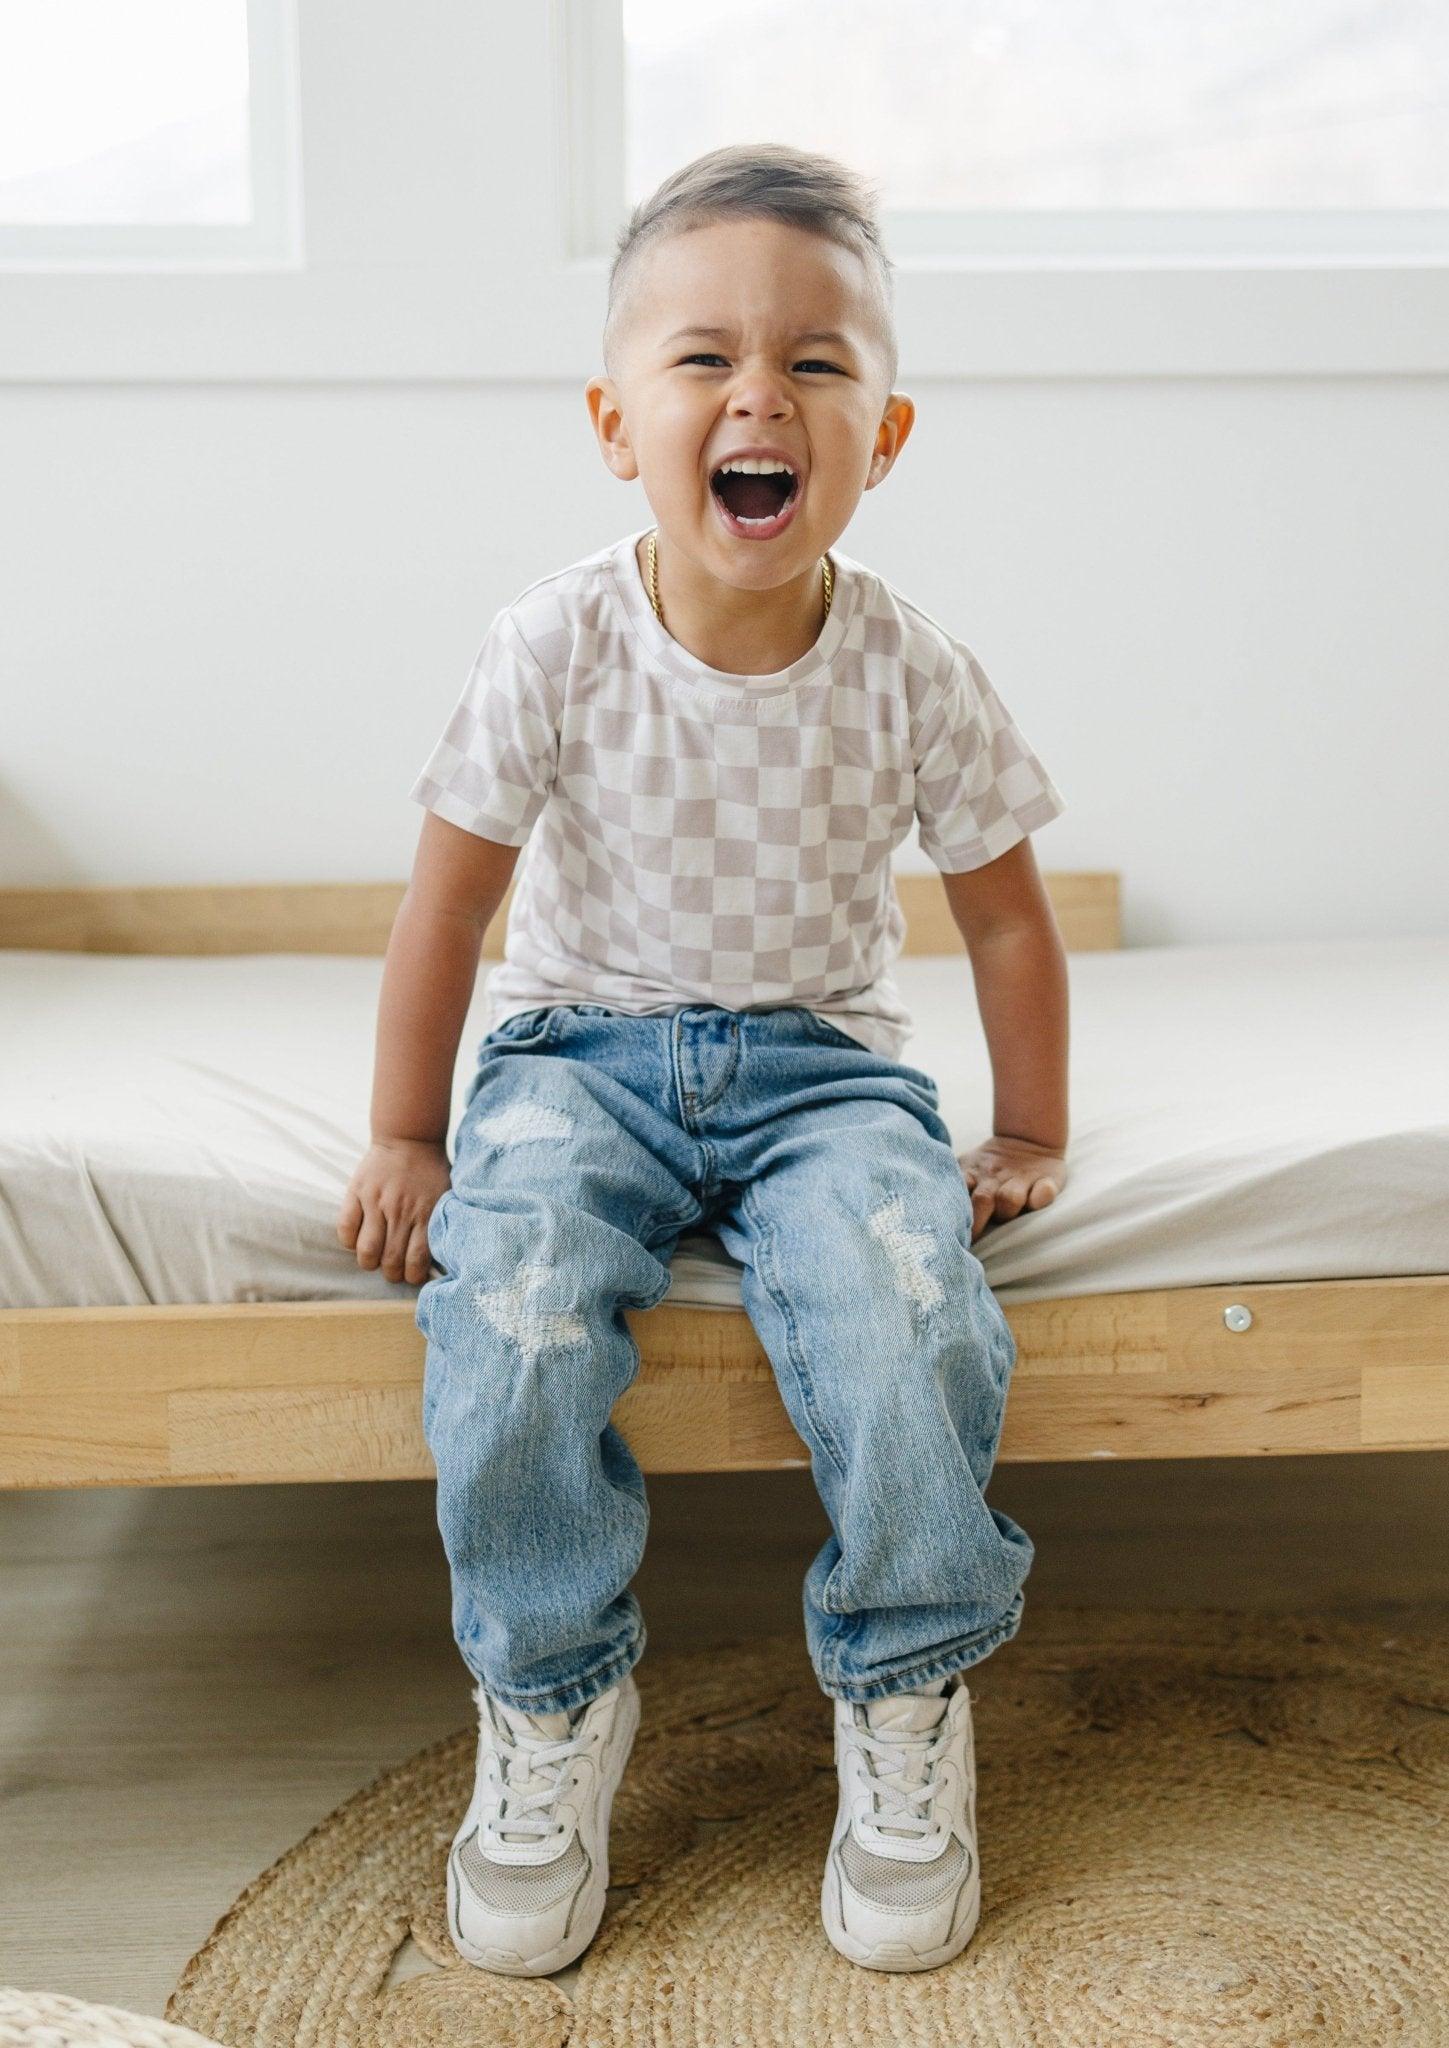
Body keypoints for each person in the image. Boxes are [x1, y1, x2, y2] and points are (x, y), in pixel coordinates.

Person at [337, 141, 1069, 1980]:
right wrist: (408, 1138)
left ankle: (904, 1689)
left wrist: (1033, 1124)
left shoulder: (912, 668)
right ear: (615, 422)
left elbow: (1001, 920)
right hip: (578, 1063)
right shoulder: (555, 644)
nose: (762, 395)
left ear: (883, 436)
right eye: (705, 361)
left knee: (909, 1314)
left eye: (818, 364)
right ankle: (552, 1694)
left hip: (824, 1080)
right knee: (506, 1323)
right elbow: (446, 914)